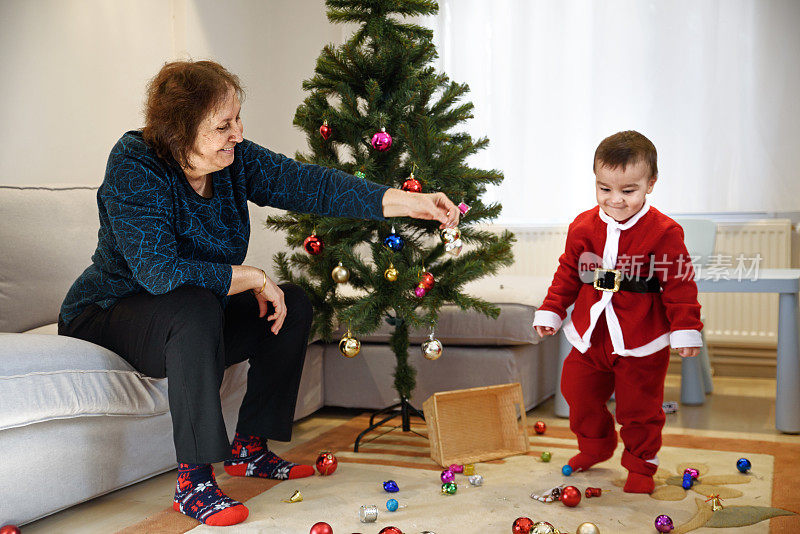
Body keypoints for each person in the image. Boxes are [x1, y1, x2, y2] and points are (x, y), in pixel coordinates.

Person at [58, 60, 460, 526]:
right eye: (223, 125)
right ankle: (193, 481)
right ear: (179, 130)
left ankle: (250, 449)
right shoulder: (135, 163)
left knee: (294, 303)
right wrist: (251, 277)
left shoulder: (234, 161)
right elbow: (158, 273)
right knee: (195, 305)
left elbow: (313, 185)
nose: (238, 134)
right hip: (109, 312)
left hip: (189, 314)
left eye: (238, 119)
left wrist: (412, 202)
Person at [532, 130, 702, 494]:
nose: (616, 200)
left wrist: (686, 328)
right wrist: (551, 309)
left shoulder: (664, 232)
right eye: (605, 189)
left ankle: (641, 464)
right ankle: (595, 446)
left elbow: (679, 284)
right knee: (575, 391)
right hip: (591, 334)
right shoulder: (582, 226)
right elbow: (568, 272)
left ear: (650, 184)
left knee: (638, 409)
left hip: (641, 337)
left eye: (628, 191)